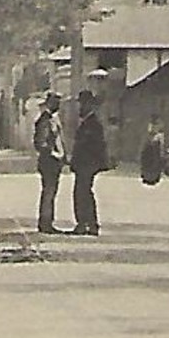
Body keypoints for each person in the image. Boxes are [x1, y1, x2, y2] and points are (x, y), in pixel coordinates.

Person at [70, 91, 109, 235]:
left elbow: (94, 146)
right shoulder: (88, 122)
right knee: (84, 193)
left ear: (89, 105)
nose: (80, 107)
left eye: (82, 104)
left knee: (82, 193)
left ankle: (85, 224)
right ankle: (89, 224)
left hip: (87, 165)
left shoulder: (93, 124)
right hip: (84, 164)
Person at [33, 93, 68, 232]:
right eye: (56, 102)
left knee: (51, 192)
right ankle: (45, 223)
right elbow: (41, 142)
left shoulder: (53, 119)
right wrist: (54, 154)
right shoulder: (45, 120)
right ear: (49, 103)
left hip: (53, 162)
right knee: (49, 192)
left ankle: (47, 221)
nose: (58, 106)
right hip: (49, 162)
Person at [139, 116, 167, 186]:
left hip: (153, 155)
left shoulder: (156, 138)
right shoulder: (156, 138)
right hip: (152, 154)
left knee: (152, 138)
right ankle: (155, 122)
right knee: (152, 138)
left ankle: (155, 122)